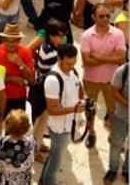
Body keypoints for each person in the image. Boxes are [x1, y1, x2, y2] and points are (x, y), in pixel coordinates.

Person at [81, 3, 127, 149]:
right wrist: (110, 57)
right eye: (101, 16)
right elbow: (87, 61)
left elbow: (121, 58)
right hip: (91, 79)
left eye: (108, 15)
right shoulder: (87, 35)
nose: (106, 18)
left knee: (113, 111)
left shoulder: (118, 34)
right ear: (93, 17)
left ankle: (112, 135)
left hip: (112, 82)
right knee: (90, 110)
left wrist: (98, 56)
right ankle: (91, 132)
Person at [39, 44, 85, 185]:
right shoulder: (53, 80)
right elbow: (52, 110)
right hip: (59, 128)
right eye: (68, 64)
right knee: (56, 162)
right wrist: (75, 109)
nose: (71, 66)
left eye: (74, 63)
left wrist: (83, 101)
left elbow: (79, 89)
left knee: (53, 157)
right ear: (59, 59)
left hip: (69, 124)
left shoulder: (73, 71)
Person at [0, 23, 35, 114]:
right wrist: (12, 79)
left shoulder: (25, 52)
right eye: (7, 40)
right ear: (3, 40)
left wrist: (20, 63)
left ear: (19, 40)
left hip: (18, 98)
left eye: (13, 41)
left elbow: (32, 80)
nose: (10, 44)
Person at [0, 109, 36, 185]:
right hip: (21, 181)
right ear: (27, 128)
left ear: (7, 126)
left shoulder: (0, 142)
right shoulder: (31, 143)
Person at [105, 62, 129, 184]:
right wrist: (127, 103)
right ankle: (112, 170)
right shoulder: (123, 71)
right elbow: (114, 91)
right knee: (116, 144)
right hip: (121, 116)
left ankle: (127, 171)